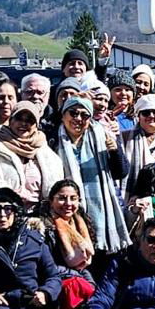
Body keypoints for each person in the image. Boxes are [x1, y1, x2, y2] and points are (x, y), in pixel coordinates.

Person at [53, 94, 128, 253]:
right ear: (63, 114)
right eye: (73, 113)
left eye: (84, 115)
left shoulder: (102, 136)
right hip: (65, 212)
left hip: (99, 214)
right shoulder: (51, 139)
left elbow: (121, 172)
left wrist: (114, 151)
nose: (78, 118)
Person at [32, 178, 101, 309]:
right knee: (78, 286)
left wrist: (85, 278)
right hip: (48, 277)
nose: (68, 203)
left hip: (75, 273)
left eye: (73, 198)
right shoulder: (42, 226)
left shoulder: (81, 221)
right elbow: (44, 264)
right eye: (62, 198)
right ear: (51, 200)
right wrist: (78, 276)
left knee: (95, 291)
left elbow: (85, 263)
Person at [0, 103, 65, 208]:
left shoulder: (48, 154)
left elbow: (57, 188)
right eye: (19, 118)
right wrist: (7, 194)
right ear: (10, 121)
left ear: (36, 125)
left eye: (30, 120)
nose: (23, 124)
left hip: (40, 217)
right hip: (4, 214)